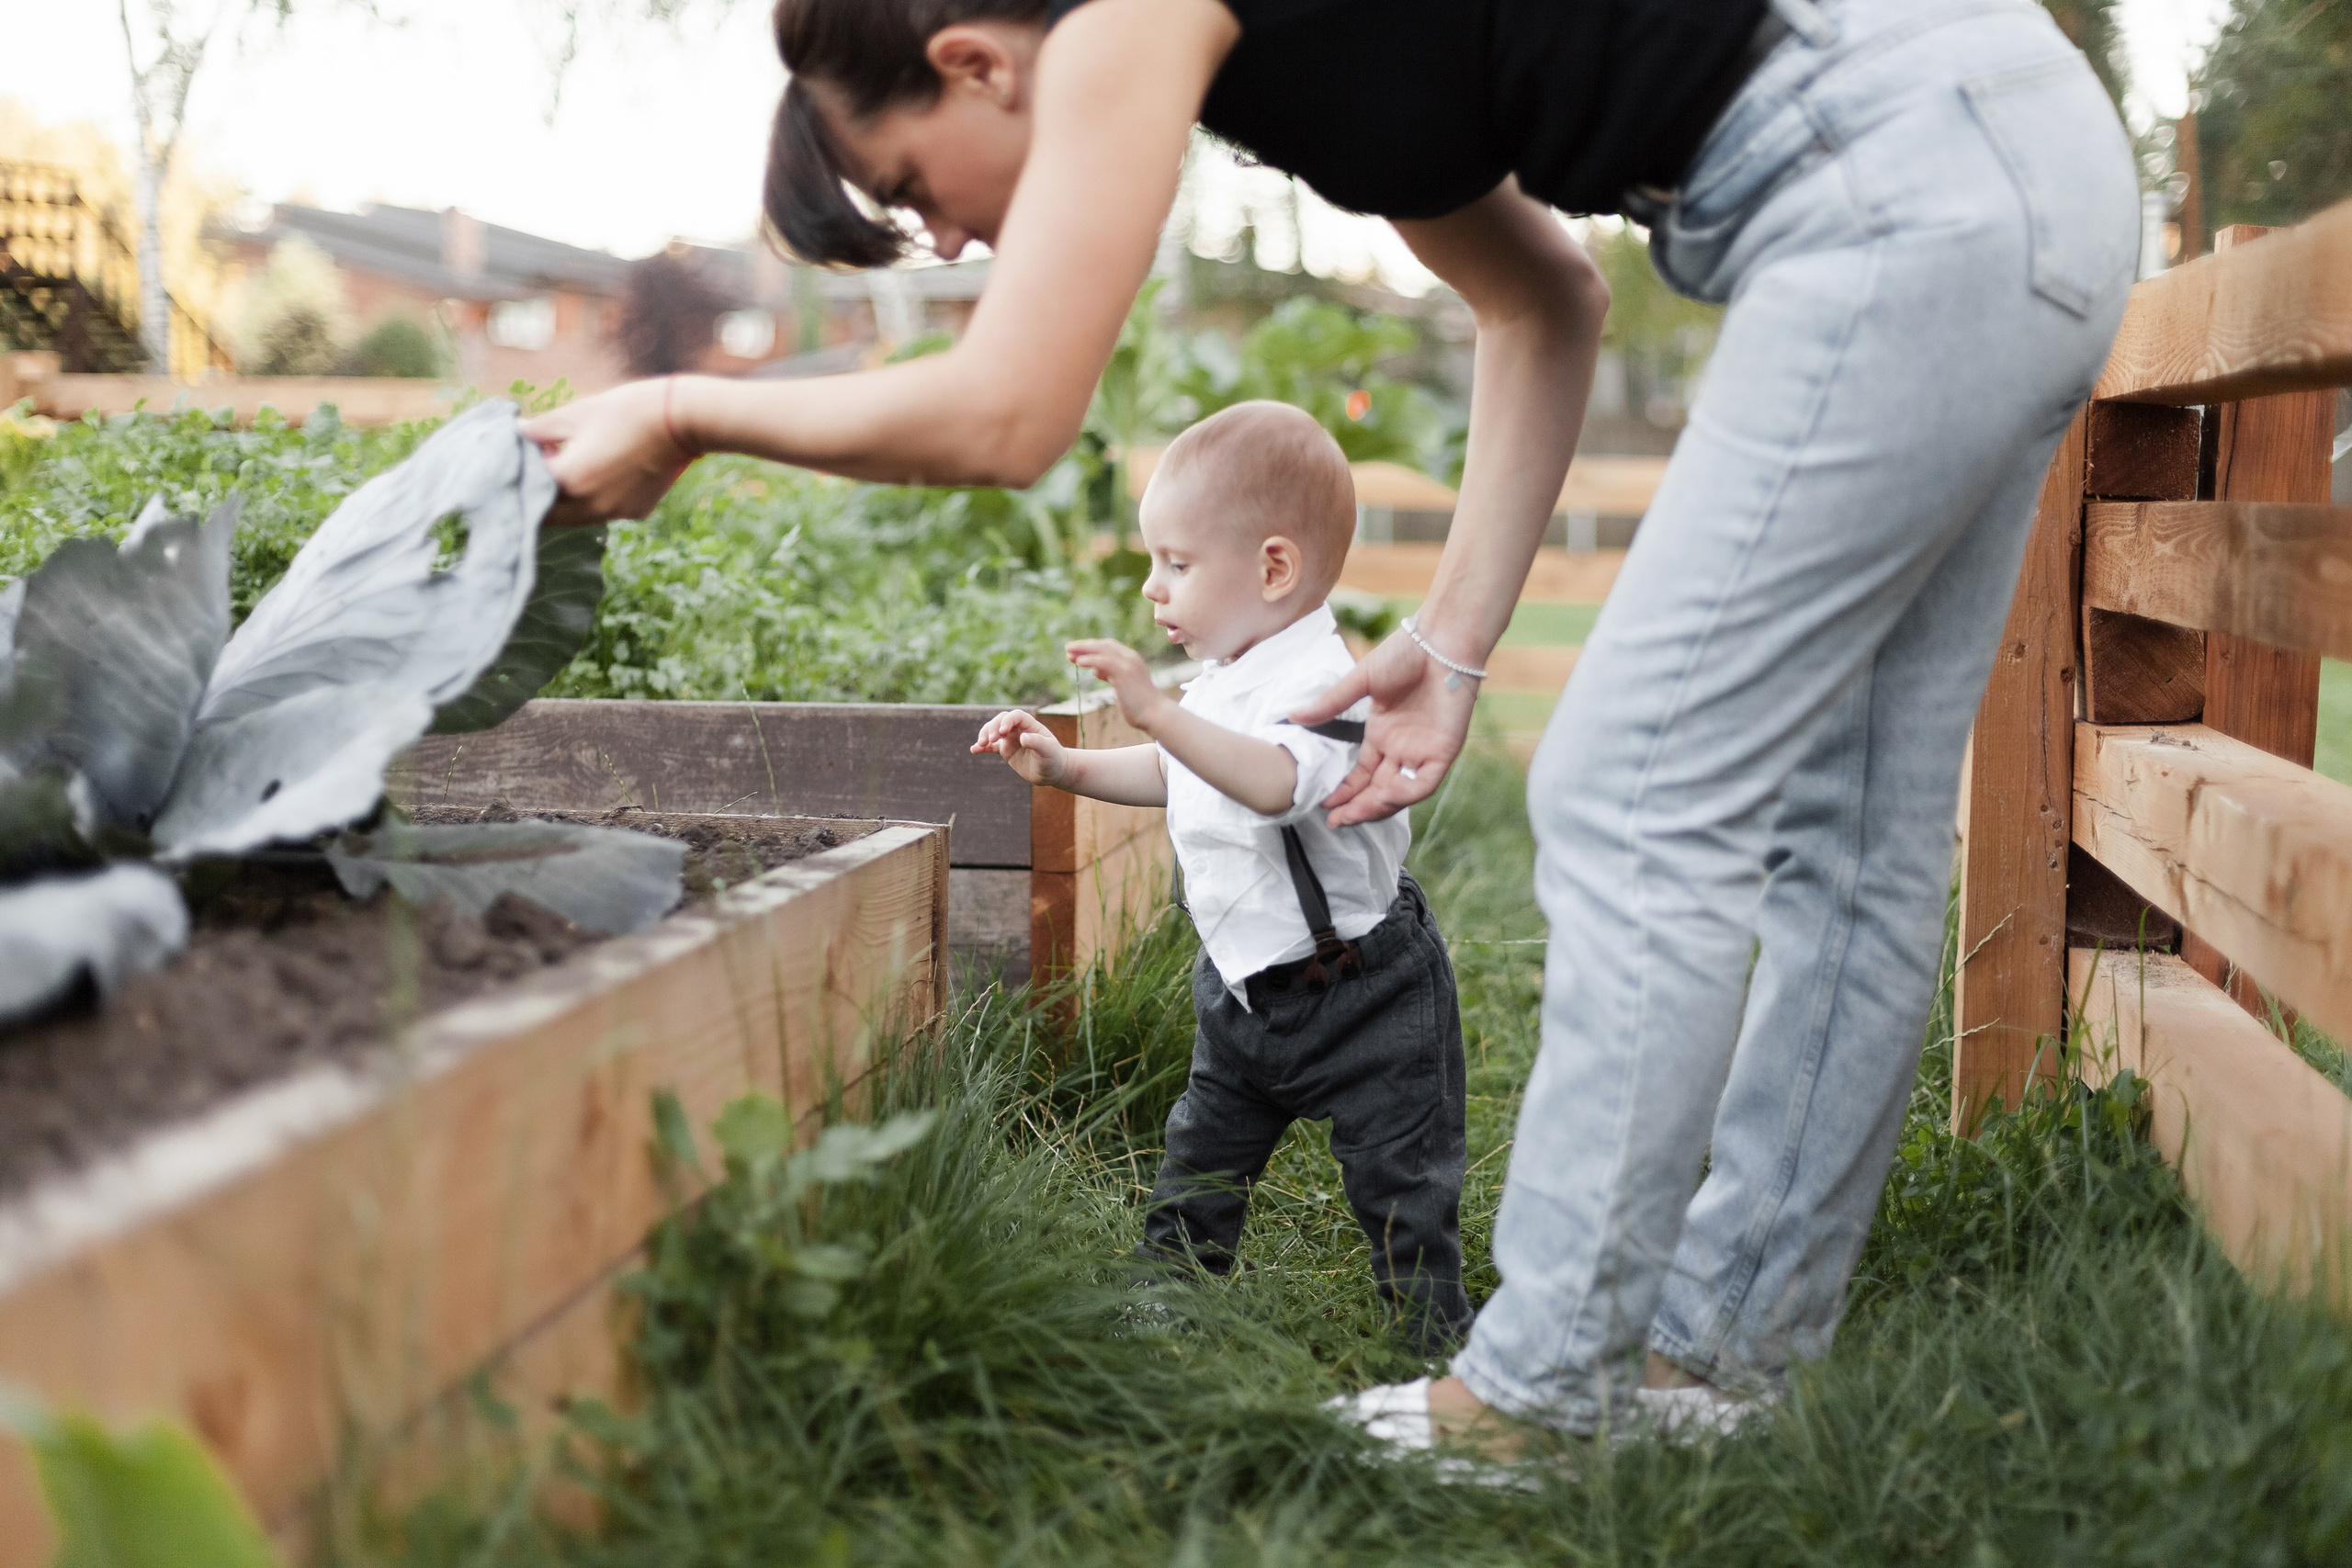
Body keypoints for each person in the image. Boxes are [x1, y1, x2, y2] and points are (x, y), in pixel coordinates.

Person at [525, 0, 2140, 1453]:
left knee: (1633, 791)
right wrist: (1448, 641)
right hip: (2014, 149)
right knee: (1848, 822)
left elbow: (1009, 414)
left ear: (977, 62)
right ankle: (1727, 1362)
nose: (944, 243)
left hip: (1893, 174)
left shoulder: (1124, 16)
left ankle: (1541, 1389)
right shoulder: (1291, 58)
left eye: (914, 188)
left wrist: (677, 410)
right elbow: (1544, 301)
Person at [971, 400, 1471, 1352]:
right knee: (1201, 1158)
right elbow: (1180, 776)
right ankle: (1166, 1305)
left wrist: (1156, 711)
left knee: (1399, 1179)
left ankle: (1428, 1340)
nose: (1153, 589)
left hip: (1364, 992)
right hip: (1246, 994)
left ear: (1273, 568)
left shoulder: (1324, 686)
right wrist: (1067, 769)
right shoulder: (1229, 679)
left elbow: (1274, 785)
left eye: (1178, 563)